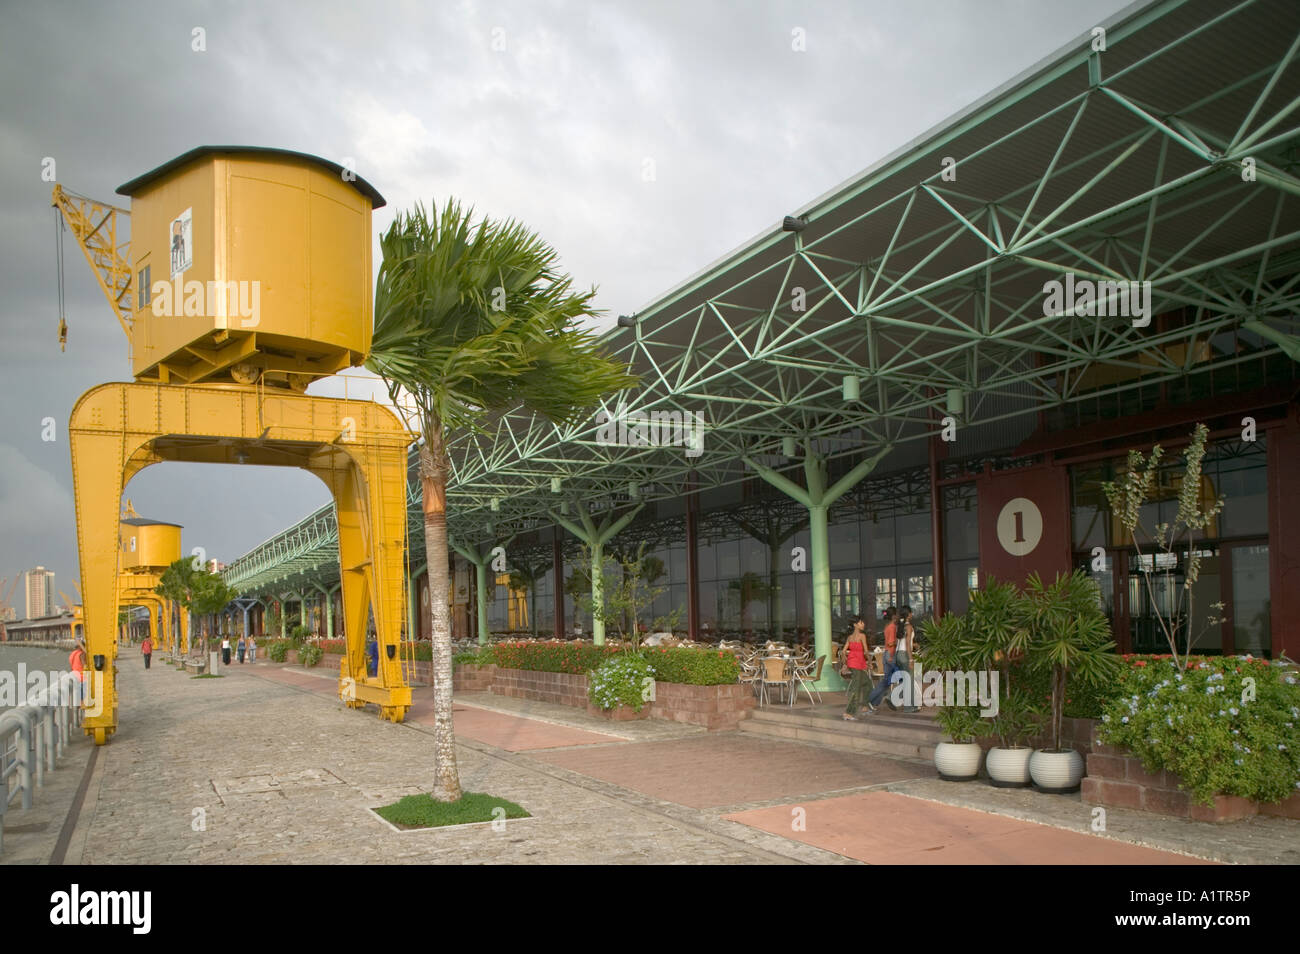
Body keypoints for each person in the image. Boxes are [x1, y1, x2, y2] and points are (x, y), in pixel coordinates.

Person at [866, 607, 899, 713]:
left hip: (886, 654)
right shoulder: (893, 627)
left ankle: (874, 701)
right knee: (895, 679)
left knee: (886, 681)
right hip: (890, 655)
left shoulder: (887, 626)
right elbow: (890, 643)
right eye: (897, 614)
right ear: (894, 616)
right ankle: (871, 699)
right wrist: (898, 641)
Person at [842, 615, 873, 720]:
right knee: (856, 688)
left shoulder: (850, 637)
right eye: (861, 622)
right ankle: (849, 713)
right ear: (855, 625)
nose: (863, 624)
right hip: (856, 664)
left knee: (867, 684)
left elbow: (843, 652)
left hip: (853, 664)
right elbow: (866, 651)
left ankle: (864, 706)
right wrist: (870, 662)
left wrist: (845, 663)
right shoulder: (862, 636)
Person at [893, 606, 921, 712]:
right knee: (909, 681)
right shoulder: (908, 626)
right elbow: (907, 645)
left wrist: (914, 644)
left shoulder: (900, 626)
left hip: (898, 654)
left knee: (907, 680)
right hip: (905, 655)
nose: (912, 614)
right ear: (908, 614)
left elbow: (899, 642)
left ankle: (912, 705)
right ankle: (907, 706)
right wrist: (911, 659)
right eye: (911, 612)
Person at [69, 638, 87, 706]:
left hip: (75, 678)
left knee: (79, 699)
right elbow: (84, 666)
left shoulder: (72, 654)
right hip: (82, 679)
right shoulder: (81, 654)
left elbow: (72, 667)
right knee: (83, 700)